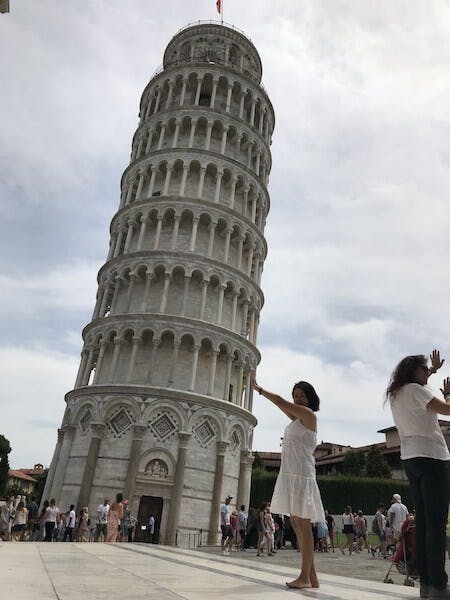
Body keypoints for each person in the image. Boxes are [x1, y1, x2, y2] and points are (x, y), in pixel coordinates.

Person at [387, 349, 450, 599]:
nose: (428, 373)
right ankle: (437, 583)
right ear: (414, 371)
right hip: (433, 457)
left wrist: (432, 370)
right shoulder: (416, 390)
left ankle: (426, 582)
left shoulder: (396, 393)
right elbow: (447, 409)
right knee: (435, 524)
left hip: (410, 458)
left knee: (423, 522)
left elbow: (418, 388)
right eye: (424, 369)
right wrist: (447, 393)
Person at [251, 376, 324, 589]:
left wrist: (260, 389)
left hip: (301, 474)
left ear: (310, 399)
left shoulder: (308, 415)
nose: (298, 399)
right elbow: (284, 406)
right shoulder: (296, 420)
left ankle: (304, 576)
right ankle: (312, 576)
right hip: (291, 474)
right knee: (295, 522)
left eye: (302, 396)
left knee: (303, 524)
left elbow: (281, 402)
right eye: (296, 396)